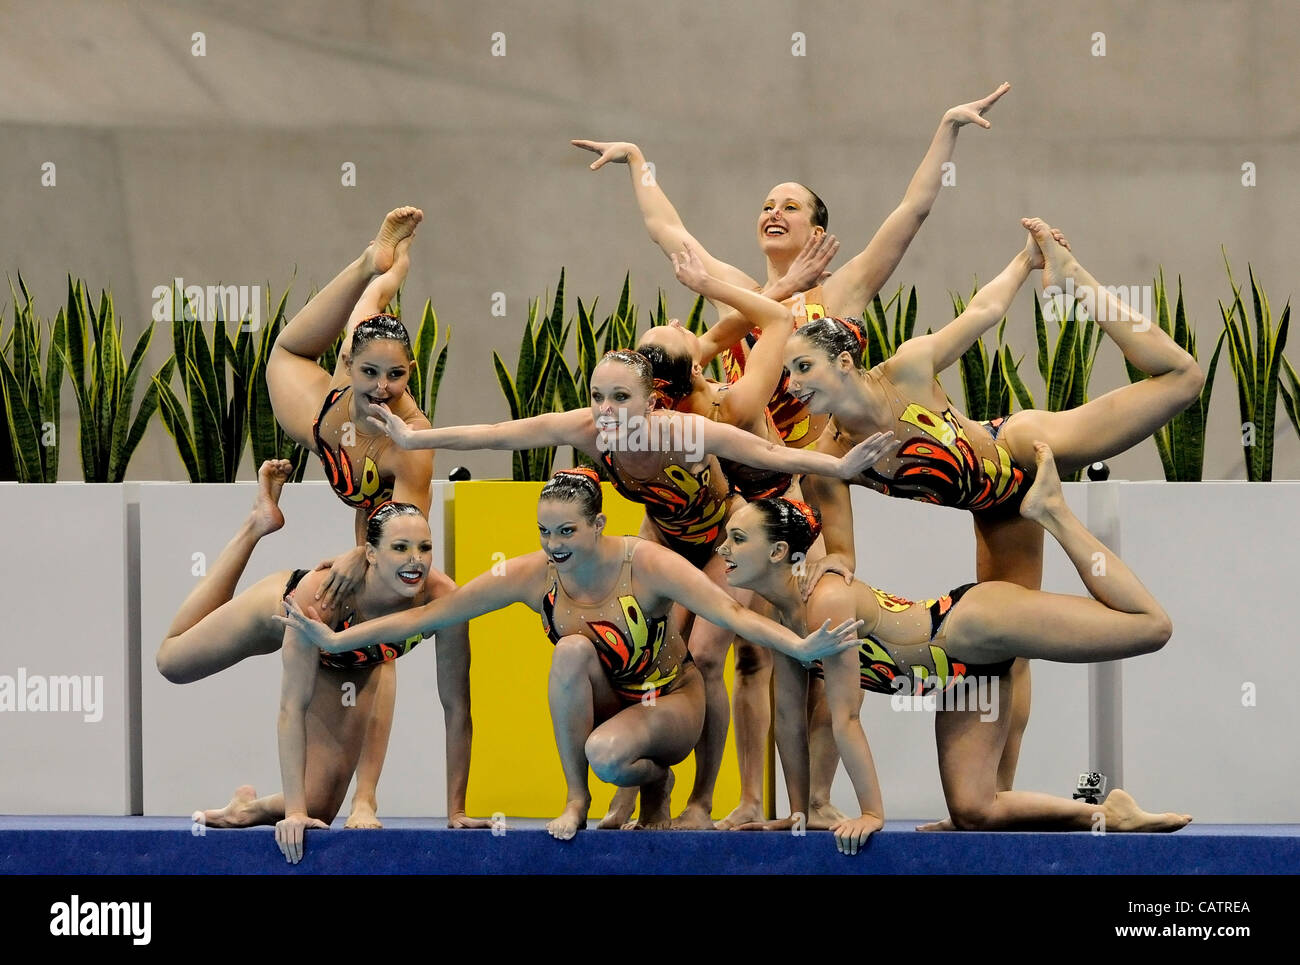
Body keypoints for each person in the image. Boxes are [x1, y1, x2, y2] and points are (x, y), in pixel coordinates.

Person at [363, 347, 894, 827]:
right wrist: (415, 438)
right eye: (597, 396)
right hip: (663, 538)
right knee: (637, 648)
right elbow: (501, 432)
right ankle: (634, 785)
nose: (606, 409)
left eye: (621, 397)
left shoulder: (679, 433)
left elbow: (767, 455)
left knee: (707, 654)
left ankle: (701, 802)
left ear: (652, 402)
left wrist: (838, 465)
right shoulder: (588, 431)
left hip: (716, 541)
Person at [786, 218, 1205, 791]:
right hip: (1000, 511)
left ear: (844, 362)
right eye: (787, 374)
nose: (792, 385)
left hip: (1020, 450)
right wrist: (822, 569)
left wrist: (1026, 264)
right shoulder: (832, 460)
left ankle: (1075, 277)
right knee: (1010, 649)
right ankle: (996, 795)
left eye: (802, 368)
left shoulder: (906, 368)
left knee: (1182, 378)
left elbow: (981, 314)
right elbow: (842, 557)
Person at [277, 468, 864, 840]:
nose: (554, 547)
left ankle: (649, 775)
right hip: (610, 702)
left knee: (609, 753)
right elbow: (431, 615)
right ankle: (580, 798)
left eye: (567, 533)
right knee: (571, 654)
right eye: (545, 533)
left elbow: (731, 614)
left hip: (669, 700)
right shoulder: (534, 576)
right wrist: (334, 639)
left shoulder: (646, 563)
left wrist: (799, 644)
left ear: (599, 525)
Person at [720, 443, 1192, 854]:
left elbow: (845, 716)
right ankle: (1108, 814)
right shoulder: (783, 620)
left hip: (975, 624)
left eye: (737, 539)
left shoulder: (827, 600)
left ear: (779, 552)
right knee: (974, 812)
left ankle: (1056, 513)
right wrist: (798, 814)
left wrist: (871, 813)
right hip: (961, 681)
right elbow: (787, 721)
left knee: (1150, 628)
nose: (722, 549)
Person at [260, 206, 474, 828]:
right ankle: (367, 257)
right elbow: (370, 310)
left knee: (382, 629)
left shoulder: (415, 435)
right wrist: (383, 266)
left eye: (397, 375)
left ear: (412, 373)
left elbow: (409, 520)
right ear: (350, 367)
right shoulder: (348, 380)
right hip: (324, 424)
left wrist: (367, 556)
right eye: (371, 372)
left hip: (378, 505)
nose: (383, 386)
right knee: (303, 338)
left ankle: (367, 797)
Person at [159, 461, 485, 865]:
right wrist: (293, 814)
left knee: (320, 809)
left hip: (348, 662)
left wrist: (456, 811)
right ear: (370, 553)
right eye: (399, 549)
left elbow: (456, 708)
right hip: (282, 615)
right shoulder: (325, 596)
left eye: (424, 548)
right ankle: (256, 524)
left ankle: (247, 809)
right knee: (172, 662)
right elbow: (291, 706)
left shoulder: (444, 600)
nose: (414, 561)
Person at [636, 241, 843, 828]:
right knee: (724, 655)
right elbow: (733, 323)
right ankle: (736, 798)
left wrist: (711, 283)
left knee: (806, 652)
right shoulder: (663, 412)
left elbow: (755, 321)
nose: (684, 330)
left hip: (784, 515)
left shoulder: (737, 402)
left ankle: (811, 801)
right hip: (727, 525)